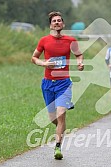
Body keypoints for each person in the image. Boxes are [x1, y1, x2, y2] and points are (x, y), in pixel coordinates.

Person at [31, 11, 84, 160]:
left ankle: (58, 147)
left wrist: (80, 62)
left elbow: (78, 54)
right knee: (52, 117)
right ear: (50, 25)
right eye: (54, 21)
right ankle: (61, 128)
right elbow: (34, 58)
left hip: (64, 84)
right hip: (48, 83)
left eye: (59, 20)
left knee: (61, 114)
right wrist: (44, 63)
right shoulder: (44, 41)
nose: (57, 23)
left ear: (63, 24)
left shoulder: (70, 40)